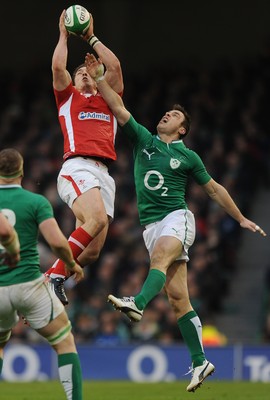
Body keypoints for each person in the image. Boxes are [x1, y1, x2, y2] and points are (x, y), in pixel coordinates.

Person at [85, 53, 267, 392]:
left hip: (177, 218)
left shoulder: (187, 156)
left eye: (174, 115)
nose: (166, 114)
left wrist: (241, 218)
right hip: (150, 226)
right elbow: (117, 106)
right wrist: (98, 79)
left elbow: (213, 190)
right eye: (166, 112)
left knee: (160, 261)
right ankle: (200, 361)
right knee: (178, 300)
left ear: (181, 129)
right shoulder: (143, 140)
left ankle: (136, 303)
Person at [45, 9, 124, 305]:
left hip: (105, 174)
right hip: (77, 166)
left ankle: (53, 277)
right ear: (74, 82)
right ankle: (52, 276)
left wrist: (91, 37)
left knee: (91, 253)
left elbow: (114, 66)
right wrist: (64, 35)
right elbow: (57, 68)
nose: (85, 75)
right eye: (80, 74)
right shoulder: (68, 97)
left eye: (89, 72)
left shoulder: (109, 99)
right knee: (95, 219)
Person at [0, 148, 85, 400]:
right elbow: (57, 242)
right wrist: (71, 263)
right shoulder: (35, 202)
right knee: (64, 342)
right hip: (28, 284)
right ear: (22, 171)